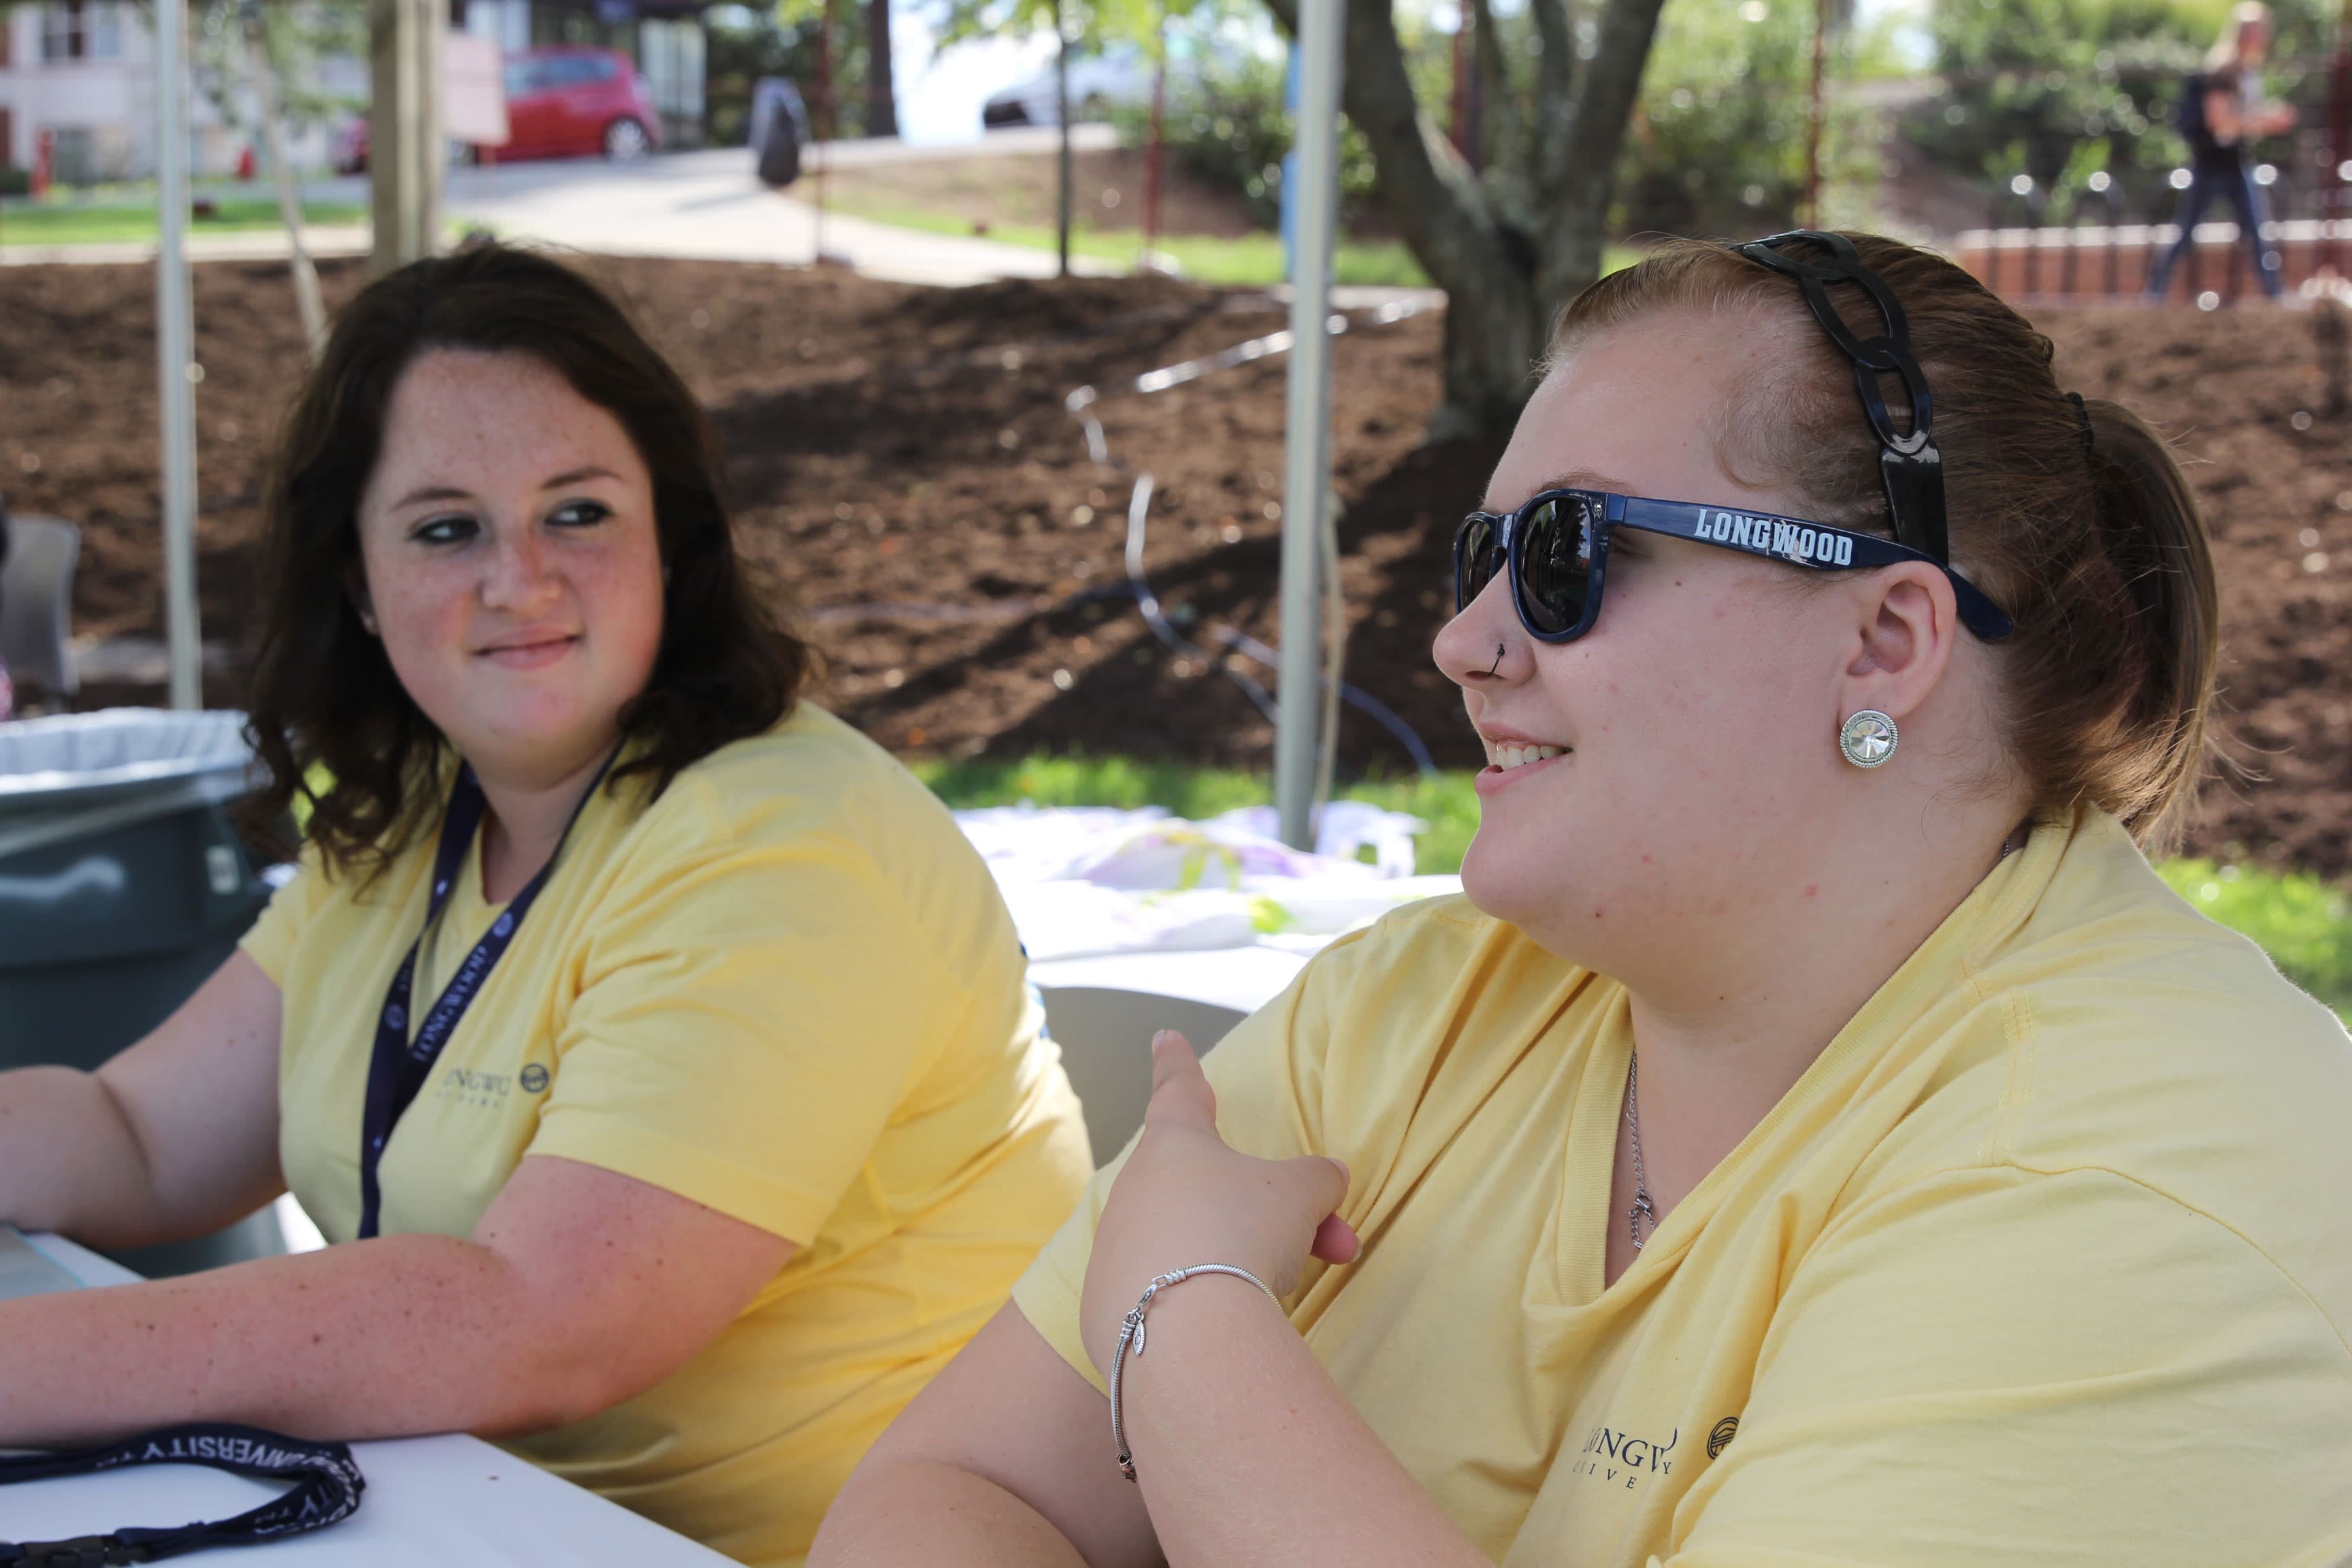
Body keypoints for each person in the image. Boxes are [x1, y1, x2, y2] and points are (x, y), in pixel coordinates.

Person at [811, 231, 2352, 1567]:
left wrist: (1183, 1307)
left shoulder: (2124, 1185)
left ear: (1883, 642)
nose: (1463, 642)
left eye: (1564, 554)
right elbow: (944, 1491)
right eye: (1482, 555)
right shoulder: (1420, 1005)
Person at [0, 244, 1092, 1567]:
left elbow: (542, 1319)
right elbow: (139, 1136)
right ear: (357, 575)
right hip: (482, 1524)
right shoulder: (421, 808)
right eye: (445, 527)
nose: (519, 579)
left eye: (577, 512)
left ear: (669, 542)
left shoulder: (785, 847)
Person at [2146, 1, 2296, 302]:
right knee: (2185, 233)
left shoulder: (2246, 72)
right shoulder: (2221, 70)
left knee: (2257, 232)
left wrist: (2263, 117)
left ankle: (2275, 294)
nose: (2262, 36)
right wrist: (2267, 122)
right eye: (2257, 31)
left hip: (2237, 164)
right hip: (2210, 166)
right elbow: (2219, 121)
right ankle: (2154, 294)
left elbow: (2241, 116)